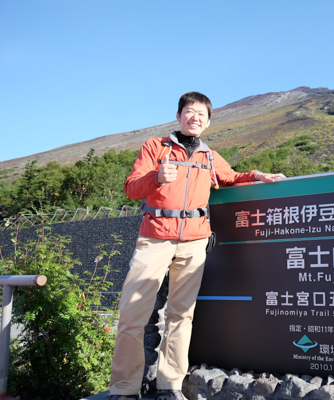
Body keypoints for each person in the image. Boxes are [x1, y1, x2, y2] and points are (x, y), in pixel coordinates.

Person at [108, 92, 285, 400]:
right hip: (155, 236)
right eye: (190, 112)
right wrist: (157, 176)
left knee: (181, 315)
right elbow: (132, 188)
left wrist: (257, 175)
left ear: (208, 121)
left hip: (194, 242)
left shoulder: (209, 156)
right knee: (131, 314)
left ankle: (170, 386)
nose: (195, 118)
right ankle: (124, 389)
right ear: (178, 116)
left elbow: (231, 178)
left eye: (201, 115)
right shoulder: (155, 147)